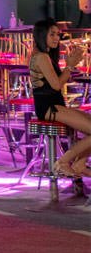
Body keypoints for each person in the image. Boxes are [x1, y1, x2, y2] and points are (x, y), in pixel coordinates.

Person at [29, 19, 90, 194]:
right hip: (49, 108)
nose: (57, 38)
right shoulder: (41, 56)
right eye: (52, 34)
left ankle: (79, 163)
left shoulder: (44, 55)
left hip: (53, 105)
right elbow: (56, 85)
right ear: (42, 35)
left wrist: (69, 66)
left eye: (58, 34)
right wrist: (70, 65)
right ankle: (64, 162)